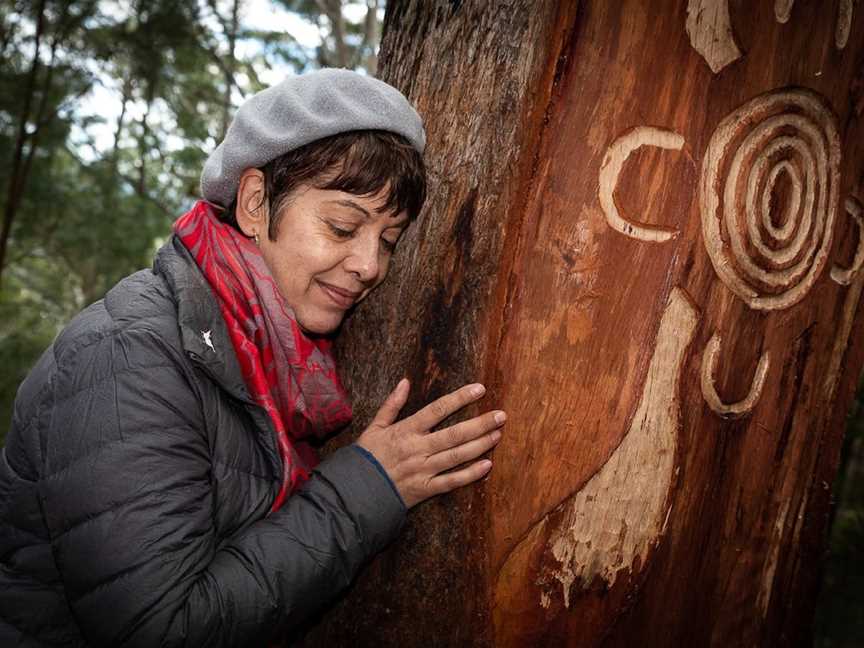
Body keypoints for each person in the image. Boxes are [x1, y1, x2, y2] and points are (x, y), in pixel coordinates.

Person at [0, 68, 505, 647]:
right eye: (343, 227)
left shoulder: (277, 357)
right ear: (256, 203)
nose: (371, 265)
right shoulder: (129, 356)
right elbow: (162, 629)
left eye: (388, 240)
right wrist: (368, 488)